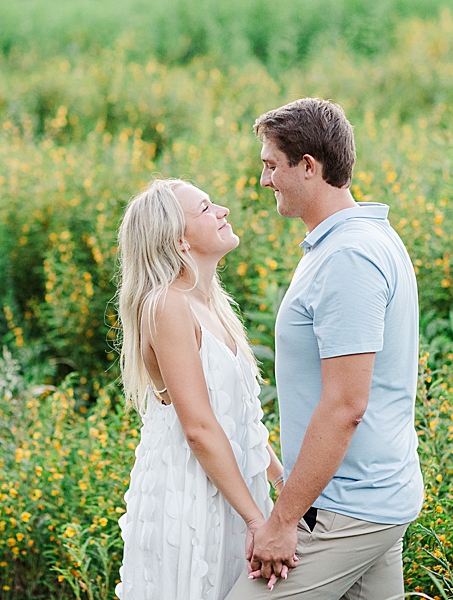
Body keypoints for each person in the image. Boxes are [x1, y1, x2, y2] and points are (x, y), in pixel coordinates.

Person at [226, 98, 424, 599]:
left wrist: (283, 519)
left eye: (271, 166)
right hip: (370, 501)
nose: (264, 180)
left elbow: (345, 406)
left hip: (345, 510)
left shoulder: (350, 256)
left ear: (309, 167)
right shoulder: (351, 240)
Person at [114, 178, 285, 600]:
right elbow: (200, 427)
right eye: (206, 208)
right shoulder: (166, 304)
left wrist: (284, 490)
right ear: (178, 240)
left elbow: (240, 419)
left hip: (236, 487)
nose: (223, 210)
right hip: (189, 491)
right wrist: (256, 522)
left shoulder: (214, 305)